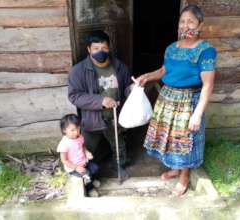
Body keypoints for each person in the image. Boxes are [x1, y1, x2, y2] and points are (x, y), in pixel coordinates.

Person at [137, 4, 217, 196]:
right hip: (167, 98)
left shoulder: (206, 50)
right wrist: (148, 76)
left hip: (188, 100)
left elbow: (208, 85)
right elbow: (164, 71)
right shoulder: (171, 48)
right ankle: (175, 168)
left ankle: (184, 177)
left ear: (200, 25)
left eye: (190, 21)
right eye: (182, 21)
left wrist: (197, 114)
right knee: (170, 138)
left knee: (185, 140)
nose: (185, 25)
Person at [68, 30, 132, 180]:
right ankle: (86, 175)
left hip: (115, 117)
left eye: (104, 48)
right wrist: (100, 101)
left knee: (119, 146)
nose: (100, 51)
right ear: (89, 49)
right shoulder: (78, 71)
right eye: (96, 48)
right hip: (92, 118)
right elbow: (74, 96)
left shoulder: (119, 67)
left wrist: (133, 90)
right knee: (84, 150)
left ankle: (118, 165)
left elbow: (126, 88)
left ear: (109, 48)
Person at [57, 114, 99, 187]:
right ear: (64, 130)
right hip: (73, 167)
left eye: (78, 128)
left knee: (95, 168)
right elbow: (64, 160)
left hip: (84, 162)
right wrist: (76, 167)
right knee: (87, 174)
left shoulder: (79, 137)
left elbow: (82, 145)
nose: (76, 132)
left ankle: (91, 181)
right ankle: (90, 189)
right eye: (72, 130)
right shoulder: (64, 144)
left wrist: (86, 152)